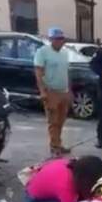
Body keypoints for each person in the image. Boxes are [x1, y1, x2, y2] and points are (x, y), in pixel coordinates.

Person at [35, 27, 72, 157]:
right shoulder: (42, 52)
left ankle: (58, 143)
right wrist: (42, 91)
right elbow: (38, 73)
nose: (60, 41)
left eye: (62, 38)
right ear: (51, 39)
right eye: (57, 39)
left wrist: (69, 91)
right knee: (53, 121)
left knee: (61, 121)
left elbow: (66, 73)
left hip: (63, 91)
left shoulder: (64, 53)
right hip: (51, 92)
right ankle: (54, 147)